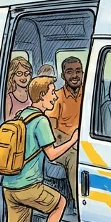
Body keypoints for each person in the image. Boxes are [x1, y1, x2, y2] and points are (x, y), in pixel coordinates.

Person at [0, 76, 79, 222]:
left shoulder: (22, 115)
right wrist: (73, 140)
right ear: (42, 96)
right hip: (28, 186)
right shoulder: (41, 120)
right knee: (60, 202)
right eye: (52, 92)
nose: (54, 96)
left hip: (10, 185)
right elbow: (52, 154)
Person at [45, 57, 83, 201]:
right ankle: (77, 204)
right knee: (75, 159)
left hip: (84, 141)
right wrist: (72, 141)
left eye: (78, 71)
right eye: (70, 72)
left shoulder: (89, 94)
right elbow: (51, 131)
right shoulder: (57, 97)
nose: (75, 75)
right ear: (63, 75)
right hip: (63, 144)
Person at [4, 56, 33, 121]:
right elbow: (5, 121)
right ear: (12, 76)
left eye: (26, 73)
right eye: (19, 73)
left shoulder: (32, 94)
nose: (23, 77)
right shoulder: (9, 98)